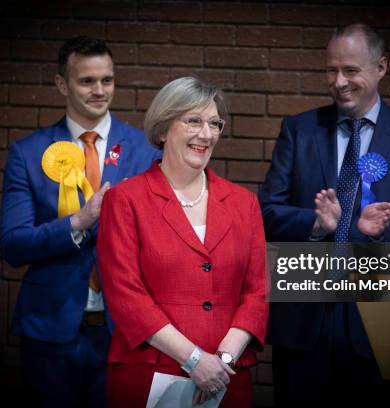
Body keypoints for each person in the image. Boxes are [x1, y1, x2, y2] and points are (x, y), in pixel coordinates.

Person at [259, 23, 390, 406]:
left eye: (351, 70)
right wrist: (316, 223)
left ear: (381, 68)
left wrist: (372, 232)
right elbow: (267, 212)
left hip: (380, 324)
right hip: (305, 320)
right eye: (331, 70)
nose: (339, 81)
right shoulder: (299, 130)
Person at [0, 36, 160, 407]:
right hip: (49, 329)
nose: (99, 90)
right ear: (62, 84)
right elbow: (14, 245)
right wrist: (78, 221)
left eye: (107, 80)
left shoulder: (144, 150)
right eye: (87, 81)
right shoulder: (27, 153)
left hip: (122, 330)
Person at [96, 77, 268, 407]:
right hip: (149, 373)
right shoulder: (125, 200)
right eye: (193, 121)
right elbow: (124, 294)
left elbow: (257, 292)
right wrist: (195, 360)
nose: (206, 134)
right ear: (162, 130)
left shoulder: (244, 203)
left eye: (214, 123)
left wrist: (223, 362)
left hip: (226, 379)